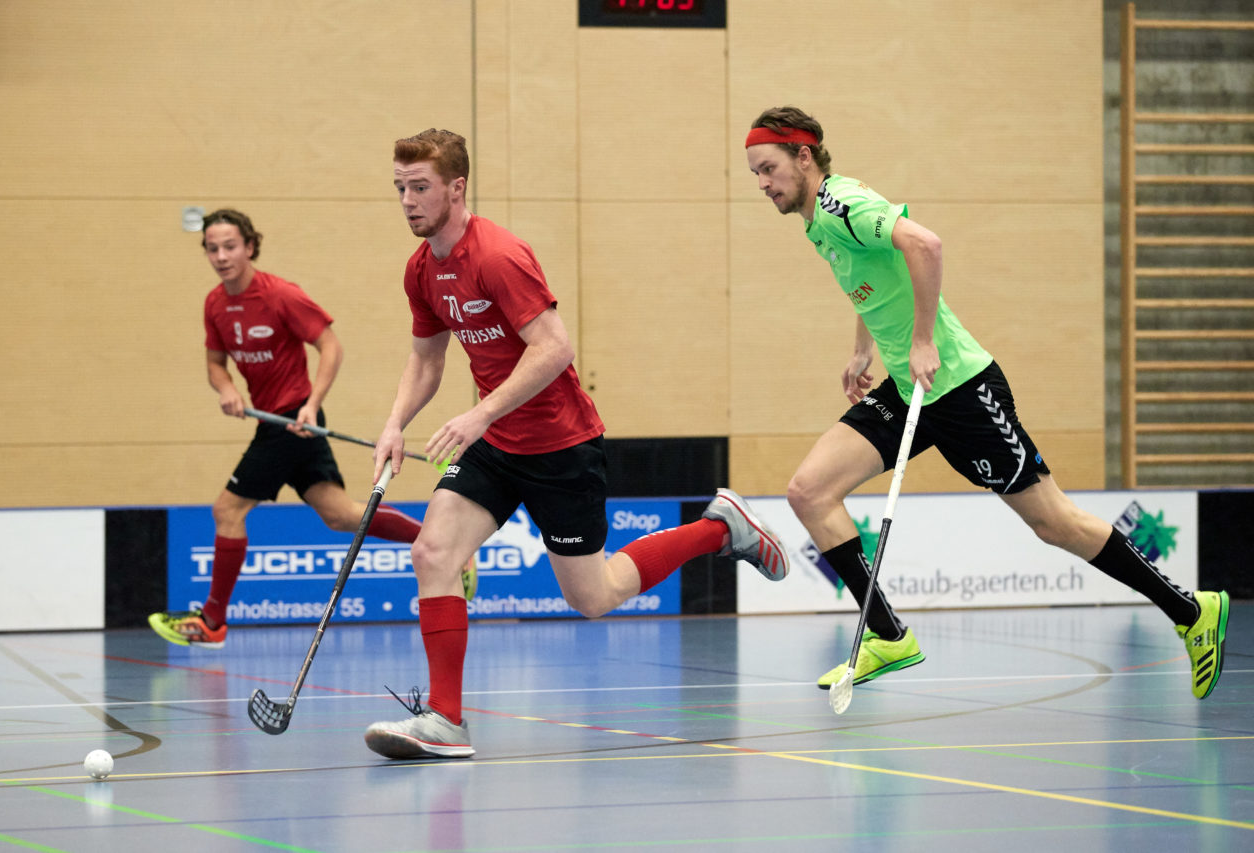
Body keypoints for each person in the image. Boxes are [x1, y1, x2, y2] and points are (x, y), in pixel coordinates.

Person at [744, 105, 1230, 701]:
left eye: (768, 168)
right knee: (810, 491)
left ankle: (1190, 610)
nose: (762, 183)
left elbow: (925, 245)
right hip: (910, 388)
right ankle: (888, 635)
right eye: (755, 174)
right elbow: (876, 278)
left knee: (1054, 523)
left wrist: (924, 339)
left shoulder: (843, 203)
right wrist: (863, 349)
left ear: (803, 157)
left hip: (962, 389)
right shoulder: (818, 220)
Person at [362, 129, 789, 760]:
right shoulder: (421, 269)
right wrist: (395, 423)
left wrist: (479, 413)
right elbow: (427, 358)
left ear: (456, 188)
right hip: (495, 443)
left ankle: (720, 528)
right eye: (400, 187)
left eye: (419, 186)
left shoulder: (498, 256)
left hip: (560, 446)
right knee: (432, 552)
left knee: (594, 597)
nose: (407, 200)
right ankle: (447, 720)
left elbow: (555, 347)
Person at [148, 208, 474, 648]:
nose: (221, 256)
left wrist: (312, 403)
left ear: (249, 247)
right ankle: (445, 545)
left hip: (294, 421)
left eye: (230, 246)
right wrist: (226, 389)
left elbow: (330, 346)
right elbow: (215, 363)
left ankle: (212, 622)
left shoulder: (280, 295)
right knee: (341, 515)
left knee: (227, 511)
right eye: (212, 248)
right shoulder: (215, 304)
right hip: (275, 423)